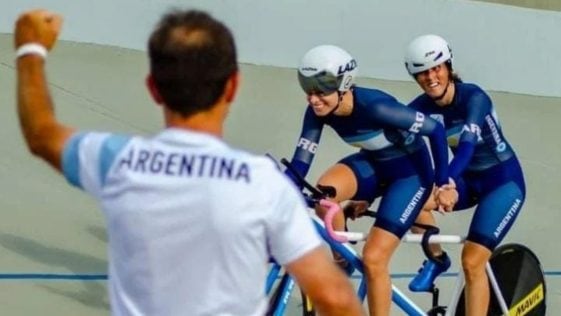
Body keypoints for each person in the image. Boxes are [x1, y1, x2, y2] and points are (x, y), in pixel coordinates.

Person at [13, 9, 365, 316]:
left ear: (153, 88)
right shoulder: (265, 185)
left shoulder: (120, 161)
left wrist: (31, 49)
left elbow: (41, 134)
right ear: (232, 87)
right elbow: (335, 298)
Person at [286, 44, 454, 316]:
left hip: (410, 175)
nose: (313, 99)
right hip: (375, 163)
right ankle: (342, 263)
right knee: (321, 196)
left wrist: (443, 182)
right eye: (308, 90)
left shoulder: (376, 107)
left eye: (321, 91)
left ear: (345, 85)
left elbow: (435, 131)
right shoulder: (317, 112)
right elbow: (299, 163)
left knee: (374, 259)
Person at [404, 34, 526, 315]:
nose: (430, 77)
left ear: (448, 66)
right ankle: (436, 260)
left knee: (472, 261)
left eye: (436, 68)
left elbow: (467, 146)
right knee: (409, 204)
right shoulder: (420, 108)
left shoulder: (474, 97)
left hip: (502, 182)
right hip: (465, 180)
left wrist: (445, 182)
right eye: (422, 72)